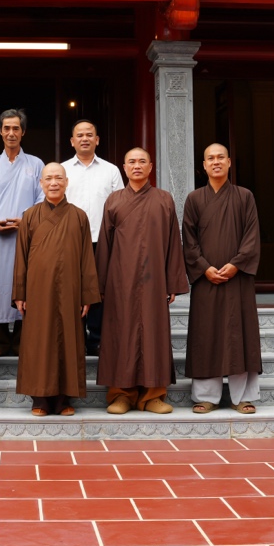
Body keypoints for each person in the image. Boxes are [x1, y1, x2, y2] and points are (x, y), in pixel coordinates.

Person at [96, 147, 188, 415]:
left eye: (142, 162)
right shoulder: (114, 200)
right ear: (124, 168)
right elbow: (105, 245)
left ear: (150, 167)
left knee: (154, 335)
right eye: (131, 162)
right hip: (119, 281)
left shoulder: (164, 199)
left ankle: (153, 395)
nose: (137, 166)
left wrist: (173, 283)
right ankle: (121, 394)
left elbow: (173, 243)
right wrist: (100, 285)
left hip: (155, 281)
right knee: (120, 335)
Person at [12, 163, 101, 417]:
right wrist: (20, 292)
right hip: (37, 290)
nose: (53, 183)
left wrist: (87, 294)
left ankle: (64, 399)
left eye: (58, 178)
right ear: (41, 183)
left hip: (70, 289)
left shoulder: (78, 216)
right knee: (38, 341)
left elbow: (87, 258)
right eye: (48, 178)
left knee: (68, 340)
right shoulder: (30, 215)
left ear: (66, 182)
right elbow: (21, 256)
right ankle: (39, 398)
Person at [182, 143, 262, 414]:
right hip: (206, 280)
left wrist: (236, 265)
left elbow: (252, 236)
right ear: (203, 166)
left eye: (220, 158)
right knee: (207, 336)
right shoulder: (194, 199)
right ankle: (207, 396)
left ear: (229, 162)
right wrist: (204, 268)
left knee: (240, 335)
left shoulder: (244, 196)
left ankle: (243, 397)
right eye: (210, 159)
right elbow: (189, 241)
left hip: (237, 279)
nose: (215, 162)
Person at [0, 109, 44, 357]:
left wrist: (26, 220)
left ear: (23, 132)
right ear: (0, 131)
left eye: (16, 128)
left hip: (29, 235)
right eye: (7, 128)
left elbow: (42, 198)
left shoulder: (36, 164)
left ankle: (23, 341)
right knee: (2, 284)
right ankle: (0, 342)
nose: (11, 133)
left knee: (26, 284)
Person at [62, 119, 125, 355]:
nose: (85, 138)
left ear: (97, 140)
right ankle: (76, 338)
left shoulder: (111, 170)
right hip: (70, 240)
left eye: (90, 134)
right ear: (72, 141)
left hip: (103, 240)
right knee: (72, 288)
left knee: (99, 290)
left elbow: (121, 205)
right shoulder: (63, 169)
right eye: (80, 135)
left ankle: (97, 338)